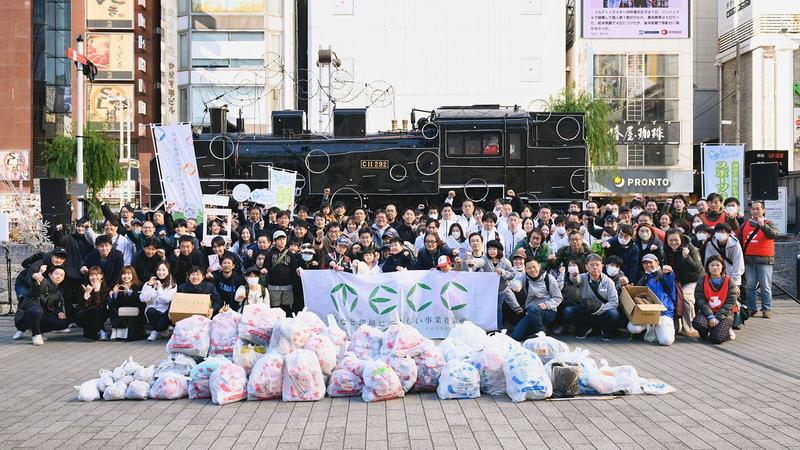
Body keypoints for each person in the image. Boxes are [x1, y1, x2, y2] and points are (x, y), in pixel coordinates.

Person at [564, 254, 620, 340]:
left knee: (614, 314)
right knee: (568, 311)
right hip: (586, 312)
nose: (595, 267)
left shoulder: (609, 282)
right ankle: (584, 328)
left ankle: (606, 330)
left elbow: (614, 302)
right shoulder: (582, 277)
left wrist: (599, 310)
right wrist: (574, 275)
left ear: (602, 266)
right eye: (591, 265)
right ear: (586, 267)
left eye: (597, 265)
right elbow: (576, 280)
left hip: (602, 313)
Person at [13, 266, 70, 345]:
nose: (58, 276)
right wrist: (35, 277)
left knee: (64, 323)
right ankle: (35, 334)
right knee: (37, 311)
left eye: (61, 275)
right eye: (56, 274)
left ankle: (37, 329)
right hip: (26, 315)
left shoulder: (57, 292)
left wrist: (60, 312)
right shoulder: (44, 282)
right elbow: (36, 286)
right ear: (50, 274)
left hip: (42, 316)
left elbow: (57, 306)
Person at [662, 229, 704, 337]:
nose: (673, 242)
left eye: (676, 240)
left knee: (685, 298)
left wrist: (687, 257)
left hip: (694, 279)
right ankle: (677, 326)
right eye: (670, 240)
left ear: (681, 239)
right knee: (671, 297)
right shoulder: (665, 250)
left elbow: (697, 267)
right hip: (678, 280)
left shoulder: (689, 248)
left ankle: (690, 327)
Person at [740, 200, 778, 318]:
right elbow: (740, 239)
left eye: (758, 209)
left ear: (763, 210)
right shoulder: (745, 224)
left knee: (765, 286)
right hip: (749, 260)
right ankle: (752, 308)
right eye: (753, 209)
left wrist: (763, 226)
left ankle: (767, 309)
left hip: (765, 260)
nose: (755, 211)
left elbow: (773, 234)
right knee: (750, 287)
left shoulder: (769, 223)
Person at [628, 254, 676, 346]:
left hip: (664, 314)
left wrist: (669, 272)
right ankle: (649, 330)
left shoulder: (664, 275)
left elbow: (670, 278)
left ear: (657, 262)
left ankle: (661, 330)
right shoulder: (644, 277)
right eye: (645, 263)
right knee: (633, 328)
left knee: (666, 341)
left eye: (650, 262)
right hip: (647, 313)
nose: (648, 265)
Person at [509, 258, 562, 340]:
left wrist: (546, 305)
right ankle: (540, 330)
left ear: (539, 266)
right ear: (525, 269)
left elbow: (558, 298)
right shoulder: (524, 278)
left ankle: (541, 334)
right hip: (531, 312)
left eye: (534, 267)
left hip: (548, 311)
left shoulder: (549, 278)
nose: (532, 270)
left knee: (532, 308)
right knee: (516, 336)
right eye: (529, 268)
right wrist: (516, 285)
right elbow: (517, 282)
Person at [694, 256, 739, 344]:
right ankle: (709, 330)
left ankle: (726, 331)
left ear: (722, 266)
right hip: (707, 312)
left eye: (718, 265)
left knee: (716, 339)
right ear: (707, 267)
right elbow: (700, 300)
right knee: (697, 323)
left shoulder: (729, 281)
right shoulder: (702, 280)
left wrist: (717, 318)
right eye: (712, 265)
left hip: (724, 313)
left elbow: (731, 302)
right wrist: (710, 316)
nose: (715, 268)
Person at [140, 261, 177, 341]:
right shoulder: (150, 282)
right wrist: (148, 285)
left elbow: (167, 300)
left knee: (161, 324)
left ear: (168, 271)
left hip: (165, 312)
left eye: (163, 270)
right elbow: (143, 299)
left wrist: (159, 288)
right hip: (153, 311)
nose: (161, 272)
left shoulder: (172, 284)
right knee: (150, 311)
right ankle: (157, 330)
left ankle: (158, 330)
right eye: (159, 270)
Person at [483, 240, 516, 329]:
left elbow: (512, 274)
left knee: (498, 309)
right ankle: (487, 327)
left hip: (500, 290)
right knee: (487, 309)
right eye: (489, 249)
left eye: (494, 249)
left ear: (499, 250)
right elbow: (480, 263)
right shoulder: (485, 259)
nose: (491, 251)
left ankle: (498, 328)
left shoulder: (505, 261)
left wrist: (503, 272)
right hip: (487, 290)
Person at [265, 230, 298, 314]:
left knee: (286, 307)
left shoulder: (290, 254)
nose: (282, 241)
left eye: (283, 239)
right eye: (279, 239)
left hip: (287, 285)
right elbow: (266, 266)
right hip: (273, 285)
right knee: (274, 307)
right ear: (274, 241)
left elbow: (294, 268)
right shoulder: (270, 253)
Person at [107, 265, 145, 341]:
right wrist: (115, 294)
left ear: (133, 275)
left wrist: (129, 293)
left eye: (129, 274)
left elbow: (140, 302)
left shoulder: (139, 285)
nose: (126, 276)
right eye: (124, 274)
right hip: (120, 312)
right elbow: (115, 305)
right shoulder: (118, 286)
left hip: (135, 312)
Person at [704, 223, 745, 288]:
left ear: (729, 233)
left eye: (722, 232)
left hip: (732, 275)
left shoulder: (735, 245)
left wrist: (735, 283)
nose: (719, 234)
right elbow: (708, 261)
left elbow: (738, 263)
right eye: (717, 232)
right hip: (715, 275)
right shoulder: (710, 245)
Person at [77, 266, 111, 341]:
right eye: (91, 275)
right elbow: (81, 306)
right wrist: (86, 294)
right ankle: (99, 331)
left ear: (101, 276)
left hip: (101, 313)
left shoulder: (105, 288)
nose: (94, 277)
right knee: (90, 311)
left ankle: (95, 333)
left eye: (96, 275)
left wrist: (97, 291)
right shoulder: (84, 287)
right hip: (85, 314)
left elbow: (99, 305)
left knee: (95, 310)